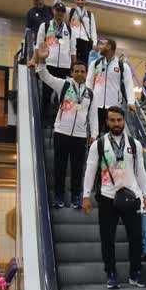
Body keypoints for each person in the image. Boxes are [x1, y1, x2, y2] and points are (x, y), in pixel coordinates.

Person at [81, 106, 146, 289]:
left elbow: (140, 171)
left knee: (135, 238)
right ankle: (111, 273)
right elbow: (90, 170)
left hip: (132, 196)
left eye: (119, 120)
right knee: (107, 239)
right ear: (106, 121)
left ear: (124, 120)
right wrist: (86, 196)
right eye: (112, 120)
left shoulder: (135, 144)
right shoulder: (99, 144)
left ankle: (135, 274)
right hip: (107, 197)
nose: (116, 123)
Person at [35, 42, 97, 209]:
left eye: (82, 71)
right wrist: (42, 60)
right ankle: (59, 197)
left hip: (80, 136)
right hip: (61, 132)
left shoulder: (90, 94)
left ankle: (76, 197)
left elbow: (93, 116)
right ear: (71, 73)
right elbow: (45, 76)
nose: (79, 74)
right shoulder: (64, 85)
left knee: (77, 168)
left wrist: (93, 135)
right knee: (60, 167)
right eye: (76, 71)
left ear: (86, 74)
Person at [33, 2, 75, 127]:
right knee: (46, 93)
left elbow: (73, 50)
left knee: (61, 95)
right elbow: (39, 45)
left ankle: (58, 120)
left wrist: (73, 66)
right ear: (53, 11)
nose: (60, 13)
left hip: (64, 66)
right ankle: (43, 121)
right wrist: (35, 60)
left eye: (62, 12)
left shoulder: (69, 29)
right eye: (58, 11)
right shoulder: (45, 26)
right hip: (49, 63)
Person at [87, 38, 136, 134]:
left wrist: (131, 102)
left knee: (112, 135)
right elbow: (88, 83)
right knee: (94, 135)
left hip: (114, 107)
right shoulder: (95, 64)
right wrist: (88, 100)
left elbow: (129, 84)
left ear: (109, 47)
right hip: (96, 105)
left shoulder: (122, 66)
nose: (100, 47)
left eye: (102, 45)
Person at [67, 0, 97, 67]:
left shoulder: (89, 14)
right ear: (75, 0)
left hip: (85, 42)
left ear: (84, 1)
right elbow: (56, 6)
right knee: (72, 62)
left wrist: (94, 43)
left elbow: (93, 29)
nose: (80, 1)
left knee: (84, 64)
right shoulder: (71, 11)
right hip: (73, 40)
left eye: (82, 0)